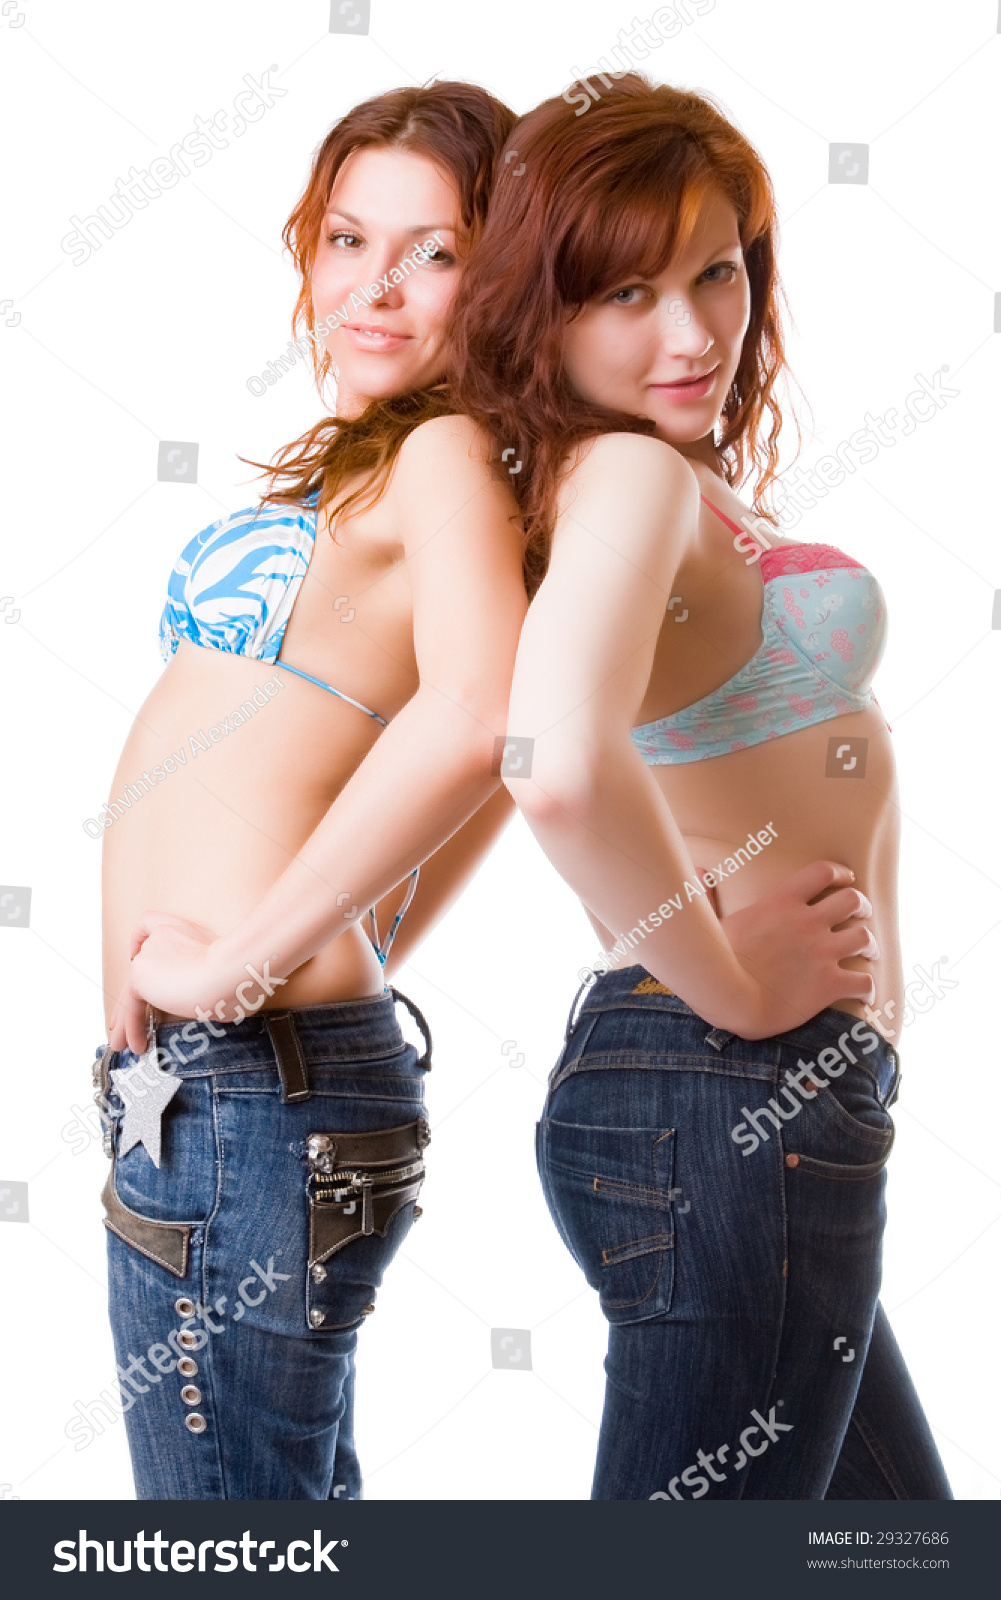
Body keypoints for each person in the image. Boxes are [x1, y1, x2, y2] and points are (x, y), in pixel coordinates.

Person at [449, 75, 951, 1500]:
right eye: (625, 294)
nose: (691, 333)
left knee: (900, 1549)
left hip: (753, 1100)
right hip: (727, 1082)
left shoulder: (659, 475)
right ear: (538, 307)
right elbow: (546, 764)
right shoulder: (627, 482)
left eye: (717, 272)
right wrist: (733, 984)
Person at [95, 80, 529, 1501]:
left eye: (436, 252)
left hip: (254, 1071)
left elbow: (485, 723)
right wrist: (338, 943)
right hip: (223, 1077)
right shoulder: (353, 475)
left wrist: (247, 960)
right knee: (273, 1523)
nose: (376, 286)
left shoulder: (446, 451)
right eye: (348, 240)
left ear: (509, 273)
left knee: (230, 1539)